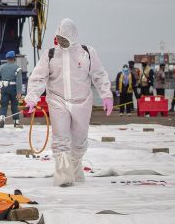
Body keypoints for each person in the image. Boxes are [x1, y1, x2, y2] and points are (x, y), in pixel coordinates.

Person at [25, 18, 113, 187]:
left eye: (66, 38)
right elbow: (38, 78)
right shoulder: (50, 54)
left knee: (79, 141)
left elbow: (99, 74)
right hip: (57, 100)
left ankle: (74, 167)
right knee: (61, 138)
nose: (62, 42)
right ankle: (63, 177)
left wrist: (106, 95)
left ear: (74, 36)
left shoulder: (86, 52)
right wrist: (31, 98)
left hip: (82, 102)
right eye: (60, 38)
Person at [0, 51, 23, 128]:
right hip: (13, 88)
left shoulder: (1, 67)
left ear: (7, 58)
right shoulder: (17, 68)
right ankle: (16, 122)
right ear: (14, 58)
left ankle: (2, 118)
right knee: (14, 105)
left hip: (4, 87)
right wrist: (19, 92)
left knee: (3, 104)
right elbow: (19, 81)